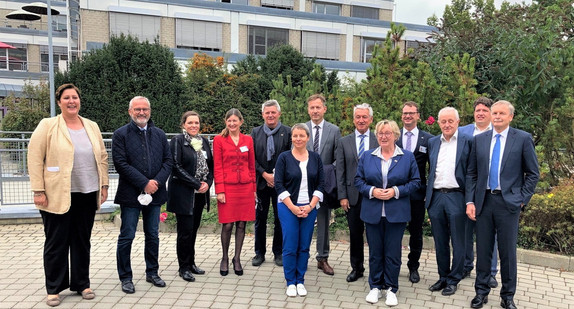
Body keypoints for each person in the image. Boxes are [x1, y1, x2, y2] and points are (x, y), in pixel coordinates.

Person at [28, 83, 109, 307]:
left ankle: (82, 283)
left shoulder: (91, 126)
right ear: (59, 102)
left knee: (82, 241)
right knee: (56, 242)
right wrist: (38, 190)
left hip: (87, 191)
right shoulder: (48, 125)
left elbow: (102, 157)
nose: (71, 101)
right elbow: (35, 158)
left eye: (75, 97)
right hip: (57, 193)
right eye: (66, 98)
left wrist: (104, 186)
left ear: (79, 101)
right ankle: (54, 288)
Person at [466, 101, 539, 309]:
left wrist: (522, 198)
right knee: (483, 249)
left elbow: (533, 174)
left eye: (501, 113)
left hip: (509, 203)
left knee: (507, 252)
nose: (496, 116)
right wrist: (470, 201)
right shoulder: (479, 140)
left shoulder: (522, 139)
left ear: (510, 117)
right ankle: (481, 292)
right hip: (484, 201)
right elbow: (472, 173)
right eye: (494, 112)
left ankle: (507, 296)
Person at [355, 119, 421, 306]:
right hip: (373, 211)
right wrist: (372, 191)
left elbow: (415, 182)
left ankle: (391, 288)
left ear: (395, 135)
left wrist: (395, 191)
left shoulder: (407, 157)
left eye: (387, 133)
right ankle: (375, 286)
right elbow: (358, 180)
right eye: (380, 133)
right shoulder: (367, 156)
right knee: (375, 251)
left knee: (392, 252)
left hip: (396, 211)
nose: (384, 137)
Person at [113, 96, 173, 294]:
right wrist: (144, 183)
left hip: (154, 193)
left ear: (150, 111)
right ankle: (126, 277)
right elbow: (120, 164)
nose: (141, 113)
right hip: (130, 194)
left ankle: (152, 272)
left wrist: (155, 183)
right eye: (137, 109)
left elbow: (168, 161)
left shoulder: (159, 134)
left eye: (145, 109)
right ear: (130, 111)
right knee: (127, 235)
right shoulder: (120, 134)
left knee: (153, 234)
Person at [425, 107, 472, 296]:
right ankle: (443, 277)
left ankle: (454, 279)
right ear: (438, 123)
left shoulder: (468, 142)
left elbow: (471, 173)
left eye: (450, 121)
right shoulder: (433, 142)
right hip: (436, 197)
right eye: (443, 121)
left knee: (459, 241)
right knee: (440, 241)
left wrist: (470, 200)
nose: (447, 125)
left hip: (457, 196)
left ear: (458, 122)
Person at [274, 123, 325, 297]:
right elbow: (279, 184)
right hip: (288, 207)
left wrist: (310, 206)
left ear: (308, 138)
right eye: (295, 136)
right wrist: (293, 208)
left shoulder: (316, 158)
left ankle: (300, 280)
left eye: (301, 136)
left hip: (310, 208)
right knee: (290, 245)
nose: (298, 139)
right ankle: (290, 281)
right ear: (291, 138)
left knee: (304, 246)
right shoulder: (284, 158)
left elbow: (321, 184)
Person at [167, 111, 214, 282]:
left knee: (193, 230)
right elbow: (176, 167)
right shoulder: (178, 141)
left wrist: (208, 183)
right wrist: (196, 183)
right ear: (183, 124)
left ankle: (192, 262)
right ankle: (183, 267)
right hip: (184, 194)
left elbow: (211, 166)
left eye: (196, 122)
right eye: (190, 123)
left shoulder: (204, 142)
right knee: (184, 232)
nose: (194, 125)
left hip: (200, 194)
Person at [459, 97, 499, 288]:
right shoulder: (463, 132)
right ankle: (467, 265)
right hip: (466, 189)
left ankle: (491, 272)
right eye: (478, 110)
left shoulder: (497, 133)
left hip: (490, 193)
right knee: (466, 231)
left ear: (491, 113)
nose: (481, 113)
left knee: (490, 235)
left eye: (484, 110)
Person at [335, 103, 377, 283]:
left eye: (364, 117)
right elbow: (340, 171)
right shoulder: (344, 142)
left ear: (371, 119)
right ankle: (357, 268)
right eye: (358, 117)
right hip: (352, 196)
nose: (361, 120)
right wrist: (342, 195)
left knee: (375, 234)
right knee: (355, 234)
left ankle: (376, 269)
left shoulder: (379, 139)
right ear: (353, 119)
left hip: (375, 195)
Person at [213, 108, 256, 276]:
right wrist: (220, 190)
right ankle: (225, 257)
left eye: (235, 121)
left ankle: (237, 258)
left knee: (241, 224)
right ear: (226, 122)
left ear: (241, 122)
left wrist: (253, 189)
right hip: (228, 187)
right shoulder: (219, 140)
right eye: (229, 121)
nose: (232, 123)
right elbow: (217, 166)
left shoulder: (248, 140)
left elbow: (251, 166)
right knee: (228, 224)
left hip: (245, 186)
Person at [395, 101, 433, 283]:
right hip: (397, 193)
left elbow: (432, 168)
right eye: (405, 113)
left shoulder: (428, 139)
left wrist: (429, 192)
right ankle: (393, 265)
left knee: (416, 233)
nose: (408, 116)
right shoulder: (394, 137)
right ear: (401, 116)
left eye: (411, 113)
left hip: (418, 194)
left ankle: (413, 267)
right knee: (395, 231)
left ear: (418, 115)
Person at [251, 100, 292, 267]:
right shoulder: (255, 132)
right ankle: (259, 253)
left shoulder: (288, 132)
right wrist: (264, 174)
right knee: (259, 219)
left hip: (280, 183)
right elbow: (251, 158)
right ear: (262, 115)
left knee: (279, 219)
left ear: (279, 114)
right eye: (267, 113)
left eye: (273, 112)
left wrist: (275, 176)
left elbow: (290, 156)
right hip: (261, 182)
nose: (270, 115)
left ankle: (279, 252)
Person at [305, 93, 341, 276]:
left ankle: (322, 258)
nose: (315, 111)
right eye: (312, 107)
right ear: (308, 109)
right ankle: (301, 256)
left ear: (324, 109)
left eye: (318, 107)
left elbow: (337, 158)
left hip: (324, 184)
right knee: (302, 220)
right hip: (304, 184)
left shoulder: (334, 130)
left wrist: (326, 172)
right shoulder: (301, 129)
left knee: (324, 222)